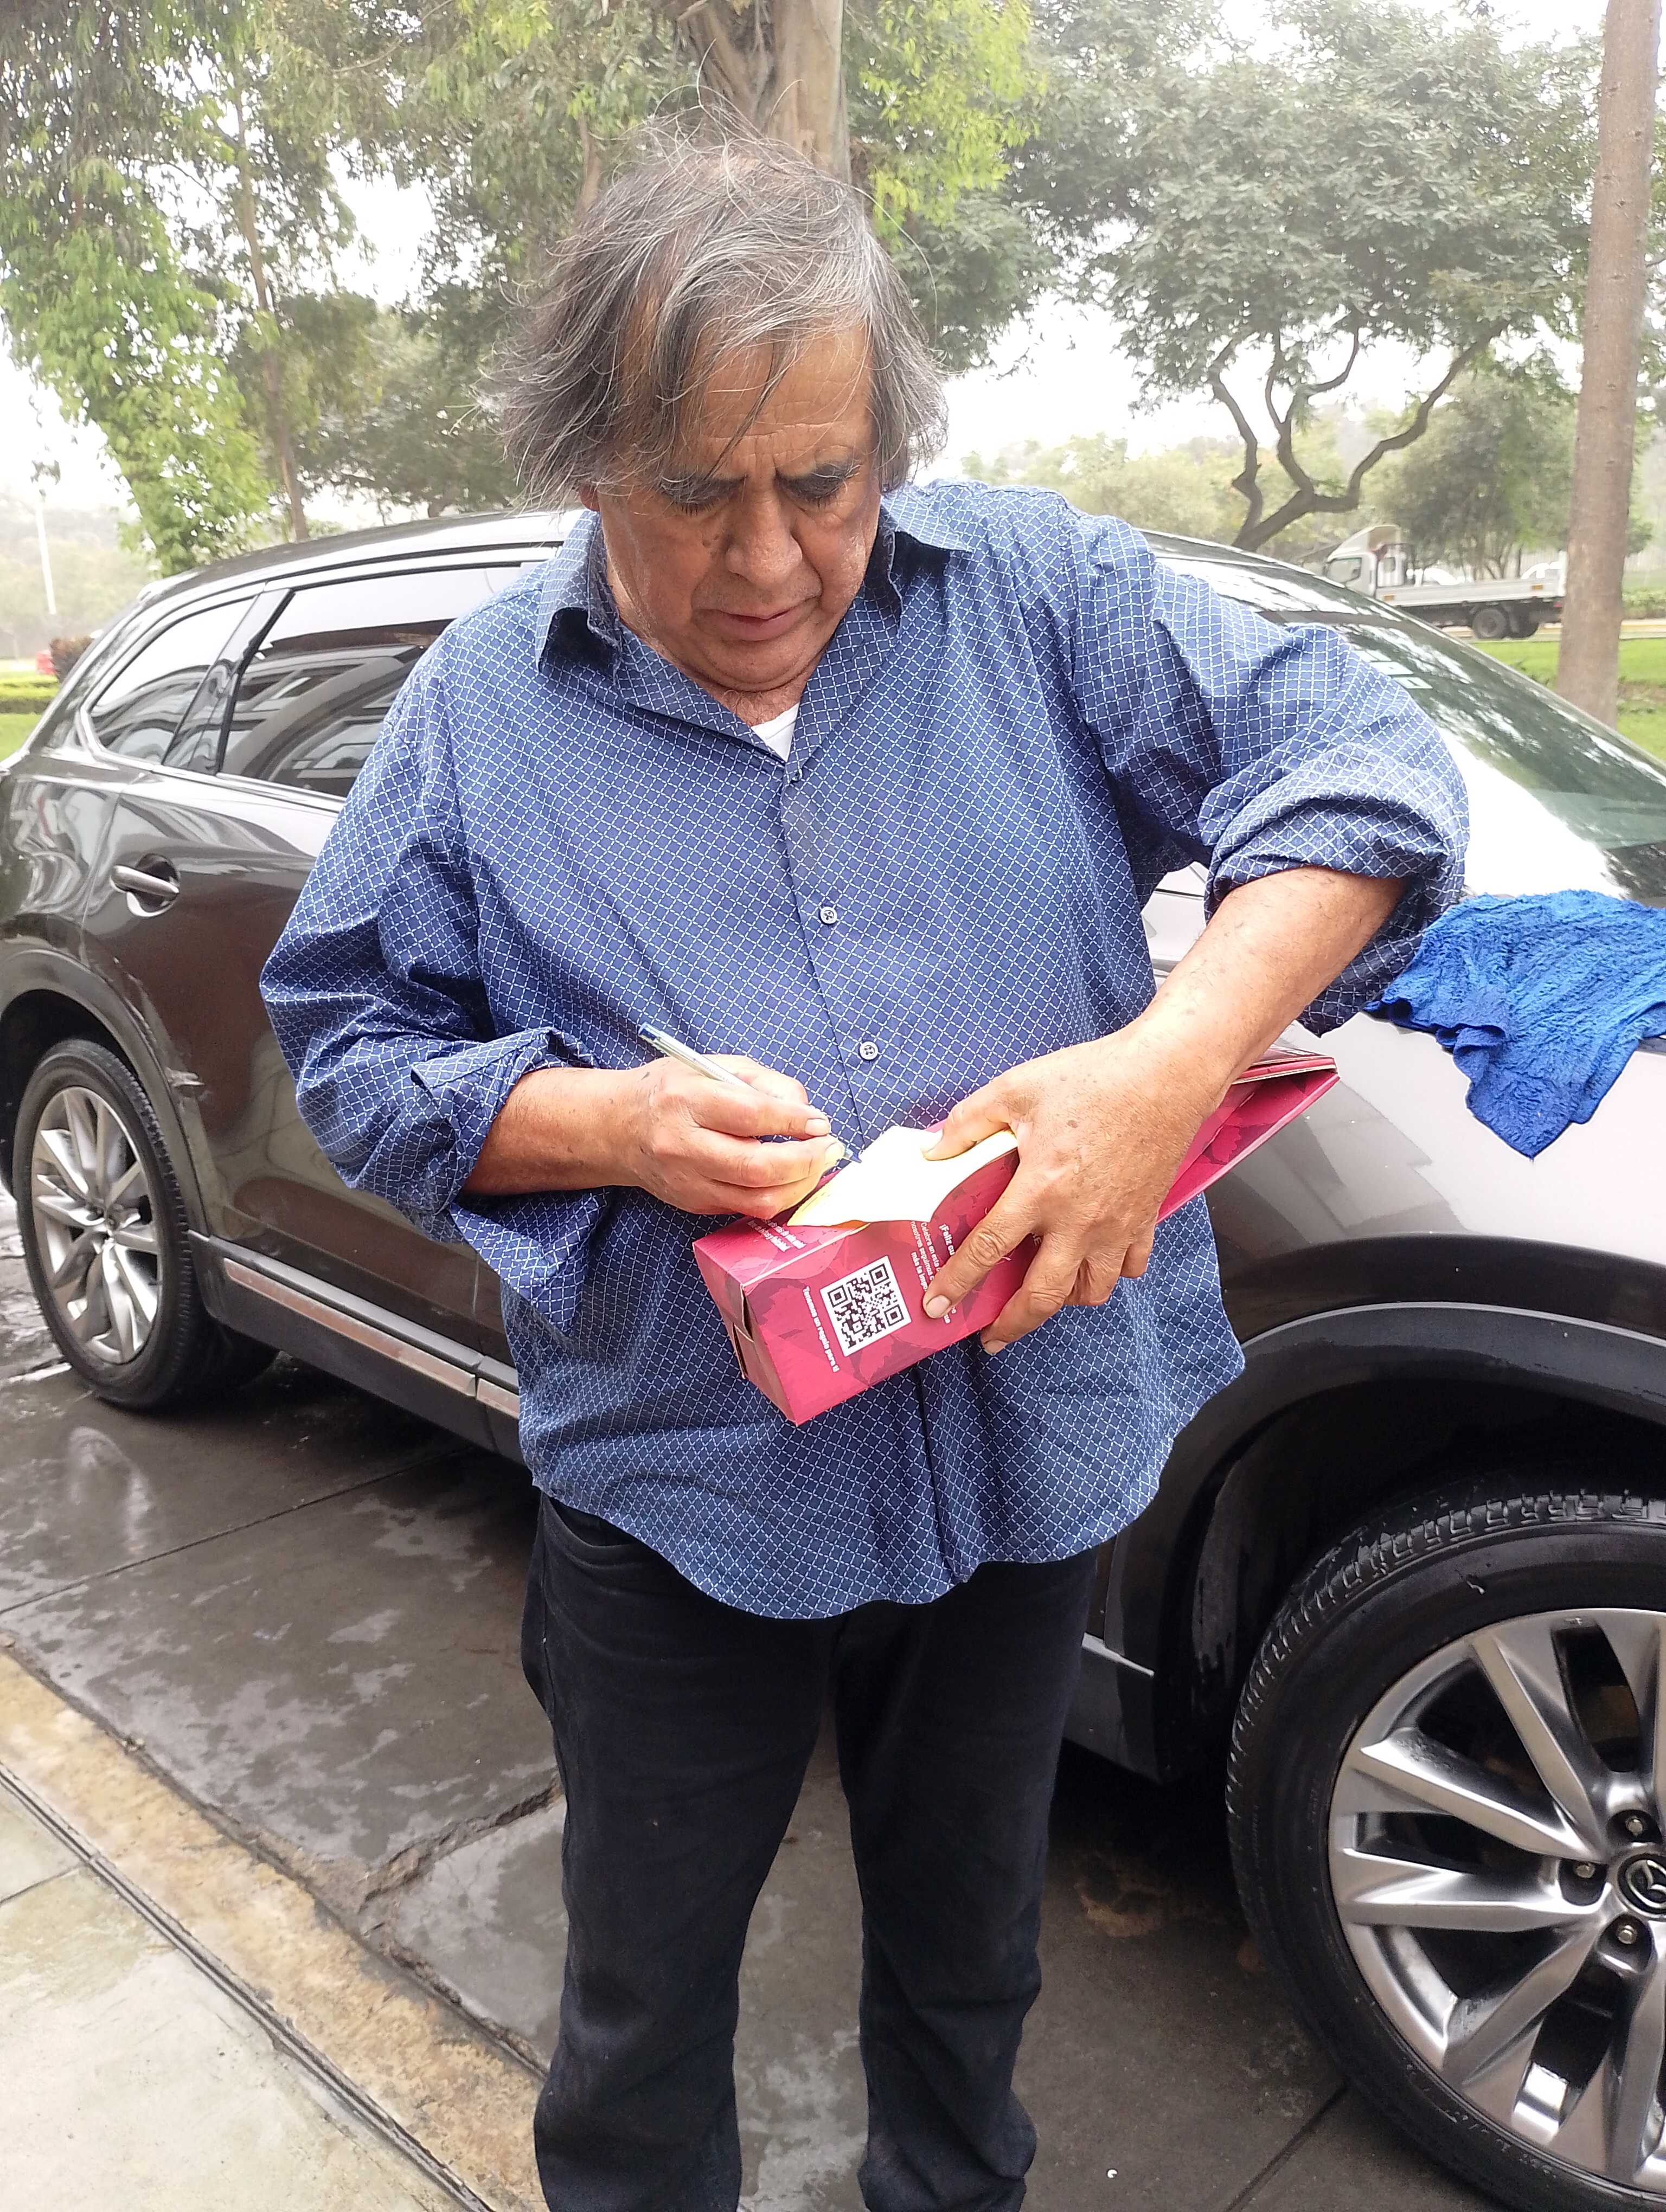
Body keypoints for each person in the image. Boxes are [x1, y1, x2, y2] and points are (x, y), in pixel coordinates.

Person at [262, 133, 1466, 2212]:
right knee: (641, 2018)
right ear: (584, 464)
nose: (767, 557)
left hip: (1016, 1442)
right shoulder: (479, 714)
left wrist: (1163, 1068)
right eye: (694, 492)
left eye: (822, 482)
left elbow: (1370, 771)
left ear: (886, 445)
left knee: (971, 1967)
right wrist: (611, 1128)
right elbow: (350, 1046)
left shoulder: (1039, 598)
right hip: (685, 1483)